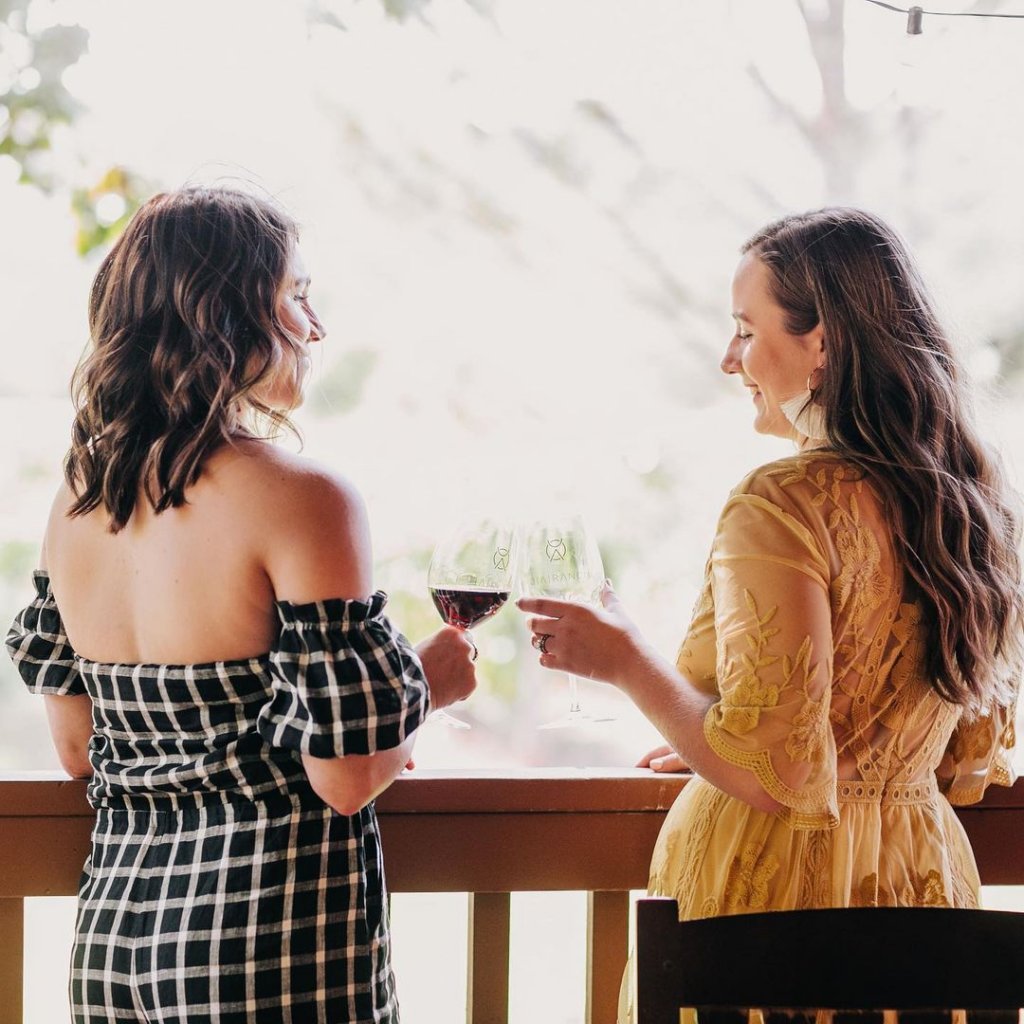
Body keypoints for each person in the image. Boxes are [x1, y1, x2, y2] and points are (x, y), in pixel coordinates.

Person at [518, 208, 1023, 1022]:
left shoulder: (782, 500)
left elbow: (779, 771)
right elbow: (954, 752)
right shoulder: (961, 504)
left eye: (745, 331)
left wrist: (624, 663)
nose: (730, 359)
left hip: (774, 899)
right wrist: (704, 737)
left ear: (821, 342)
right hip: (920, 888)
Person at [5, 186, 477, 1024]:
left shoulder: (76, 502)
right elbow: (345, 778)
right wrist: (427, 686)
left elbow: (79, 750)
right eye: (296, 295)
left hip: (116, 938)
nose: (316, 326)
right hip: (266, 942)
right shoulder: (305, 498)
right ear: (224, 314)